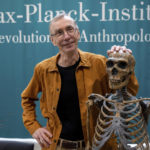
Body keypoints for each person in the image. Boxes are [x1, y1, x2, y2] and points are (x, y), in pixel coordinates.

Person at [21, 14, 139, 150]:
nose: (66, 36)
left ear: (78, 33)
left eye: (70, 29)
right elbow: (27, 98)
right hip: (57, 146)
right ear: (52, 40)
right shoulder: (43, 69)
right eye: (59, 33)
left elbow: (129, 93)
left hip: (98, 146)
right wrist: (34, 127)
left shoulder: (100, 63)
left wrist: (125, 64)